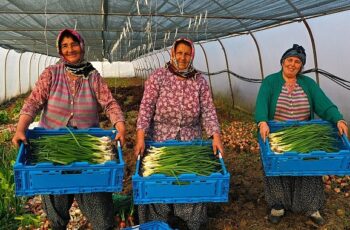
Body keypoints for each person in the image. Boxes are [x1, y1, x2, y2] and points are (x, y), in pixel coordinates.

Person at [12, 29, 126, 230]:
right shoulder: (51, 73)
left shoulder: (92, 75)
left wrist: (120, 126)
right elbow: (33, 101)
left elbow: (109, 104)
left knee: (101, 212)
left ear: (81, 46)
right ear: (60, 50)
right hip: (52, 149)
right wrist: (20, 128)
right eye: (65, 45)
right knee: (56, 211)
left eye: (73, 44)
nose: (70, 49)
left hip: (89, 149)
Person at [133, 37, 224, 230]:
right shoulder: (158, 76)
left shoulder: (199, 80)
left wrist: (215, 136)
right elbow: (146, 107)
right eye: (179, 53)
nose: (183, 57)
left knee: (188, 180)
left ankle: (189, 219)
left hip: (189, 142)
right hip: (160, 141)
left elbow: (208, 110)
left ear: (192, 55)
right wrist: (140, 136)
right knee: (159, 181)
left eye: (187, 53)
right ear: (172, 53)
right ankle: (159, 220)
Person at [255, 44, 348, 226]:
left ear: (301, 66)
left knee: (310, 169)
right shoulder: (270, 81)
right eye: (289, 60)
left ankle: (311, 207)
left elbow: (324, 104)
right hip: (276, 136)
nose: (292, 64)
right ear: (282, 62)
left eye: (297, 62)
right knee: (276, 171)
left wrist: (338, 119)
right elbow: (261, 104)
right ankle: (278, 206)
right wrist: (262, 121)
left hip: (305, 136)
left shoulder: (308, 84)